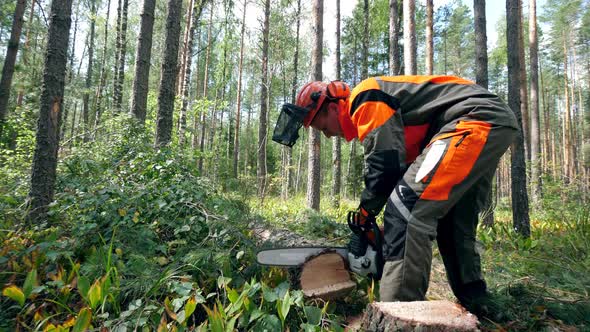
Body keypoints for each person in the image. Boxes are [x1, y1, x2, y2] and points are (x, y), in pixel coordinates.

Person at [272, 75, 518, 317]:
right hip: (488, 122)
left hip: (472, 120)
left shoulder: (364, 98)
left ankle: (400, 313)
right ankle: (478, 301)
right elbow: (401, 173)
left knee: (406, 211)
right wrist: (383, 232)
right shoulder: (382, 113)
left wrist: (365, 215)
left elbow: (385, 164)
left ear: (334, 108)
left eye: (323, 127)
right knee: (451, 220)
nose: (327, 135)